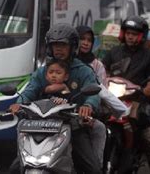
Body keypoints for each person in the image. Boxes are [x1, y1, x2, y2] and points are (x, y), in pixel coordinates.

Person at [10, 23, 102, 174]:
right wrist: (18, 104)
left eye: (63, 45)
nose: (58, 49)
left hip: (72, 125)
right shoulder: (42, 72)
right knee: (15, 168)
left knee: (93, 169)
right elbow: (29, 91)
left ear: (72, 47)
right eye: (55, 45)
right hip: (40, 126)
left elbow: (94, 93)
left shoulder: (84, 71)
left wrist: (88, 106)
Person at [102, 15, 150, 174]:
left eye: (134, 34)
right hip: (114, 98)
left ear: (141, 36)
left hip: (136, 100)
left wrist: (148, 88)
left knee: (148, 141)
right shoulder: (114, 52)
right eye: (128, 33)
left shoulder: (148, 55)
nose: (130, 36)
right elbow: (103, 69)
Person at [76, 25, 128, 167]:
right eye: (82, 39)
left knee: (98, 129)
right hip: (64, 109)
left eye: (89, 40)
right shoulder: (64, 62)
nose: (86, 43)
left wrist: (88, 105)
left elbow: (100, 90)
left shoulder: (97, 65)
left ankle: (96, 167)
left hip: (89, 109)